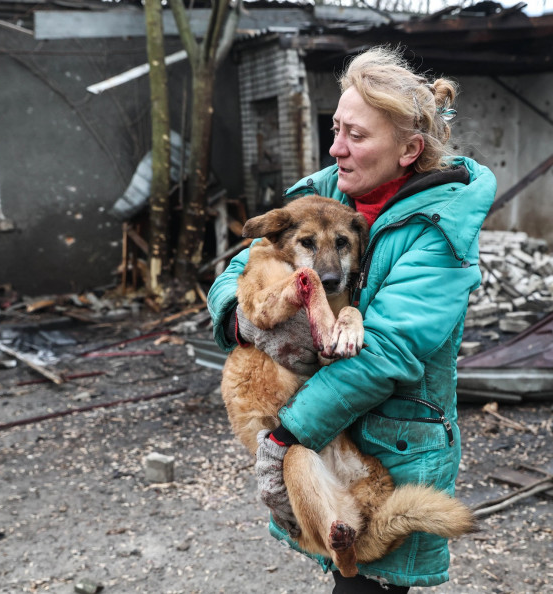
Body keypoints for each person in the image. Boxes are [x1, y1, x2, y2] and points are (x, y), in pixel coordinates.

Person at [207, 45, 497, 592]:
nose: (336, 148)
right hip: (327, 442)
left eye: (356, 136)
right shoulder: (323, 194)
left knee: (366, 583)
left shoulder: (439, 233)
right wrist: (241, 322)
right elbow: (239, 270)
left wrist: (286, 435)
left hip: (390, 447)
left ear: (409, 149)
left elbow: (387, 354)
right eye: (335, 129)